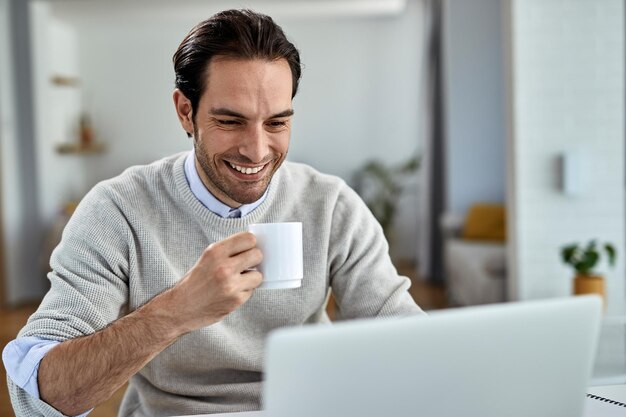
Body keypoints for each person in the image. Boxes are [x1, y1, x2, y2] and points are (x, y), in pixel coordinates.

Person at [3, 9, 423, 417]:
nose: (257, 151)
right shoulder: (118, 210)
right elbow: (38, 400)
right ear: (186, 111)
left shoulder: (331, 206)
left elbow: (409, 344)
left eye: (276, 123)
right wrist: (178, 310)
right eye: (230, 121)